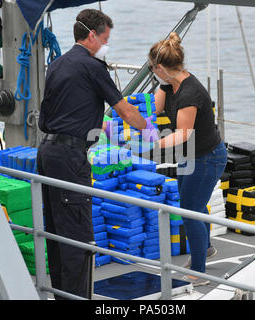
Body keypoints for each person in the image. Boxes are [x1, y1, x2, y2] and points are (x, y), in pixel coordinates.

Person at [37, 8, 157, 299]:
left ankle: (59, 295)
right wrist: (147, 129)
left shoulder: (57, 64)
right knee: (78, 237)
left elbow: (50, 115)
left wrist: (93, 121)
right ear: (92, 36)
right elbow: (125, 109)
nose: (106, 44)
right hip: (70, 159)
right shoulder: (93, 67)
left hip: (47, 153)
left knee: (55, 233)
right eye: (105, 38)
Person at [149, 32, 227, 286]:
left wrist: (151, 145)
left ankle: (199, 271)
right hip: (191, 156)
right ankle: (204, 249)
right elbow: (155, 108)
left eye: (153, 69)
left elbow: (183, 134)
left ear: (160, 67)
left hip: (207, 158)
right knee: (190, 204)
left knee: (190, 211)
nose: (153, 72)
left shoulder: (190, 93)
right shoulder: (170, 84)